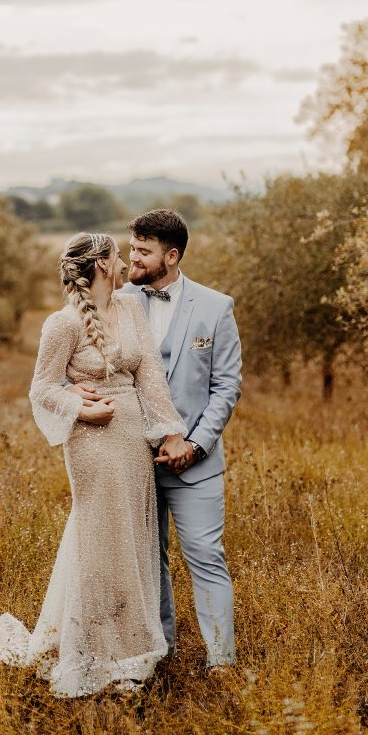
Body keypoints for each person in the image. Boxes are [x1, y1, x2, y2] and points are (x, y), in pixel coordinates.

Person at [0, 232, 189, 698]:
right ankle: (92, 654)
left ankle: (130, 650)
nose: (125, 263)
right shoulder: (62, 324)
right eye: (118, 256)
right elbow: (41, 388)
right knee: (100, 537)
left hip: (132, 442)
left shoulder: (131, 309)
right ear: (102, 264)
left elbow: (150, 375)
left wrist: (171, 430)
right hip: (91, 443)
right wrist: (80, 407)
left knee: (133, 537)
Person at [70, 210, 242, 669]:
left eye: (144, 251)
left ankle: (222, 662)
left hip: (194, 462)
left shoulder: (215, 307)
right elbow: (74, 362)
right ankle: (158, 655)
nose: (133, 258)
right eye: (131, 249)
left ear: (172, 256)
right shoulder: (115, 302)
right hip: (129, 456)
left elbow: (227, 387)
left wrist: (194, 445)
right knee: (147, 563)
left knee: (206, 556)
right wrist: (73, 392)